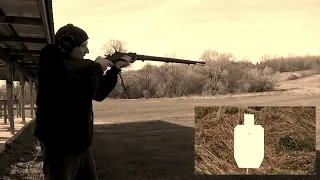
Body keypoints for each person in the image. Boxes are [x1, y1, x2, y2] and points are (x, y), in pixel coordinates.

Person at [34, 24, 133, 180]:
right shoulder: (51, 70)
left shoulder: (74, 69)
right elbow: (85, 89)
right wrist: (98, 68)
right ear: (66, 46)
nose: (87, 51)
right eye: (83, 46)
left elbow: (97, 93)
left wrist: (114, 70)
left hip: (81, 145)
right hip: (61, 147)